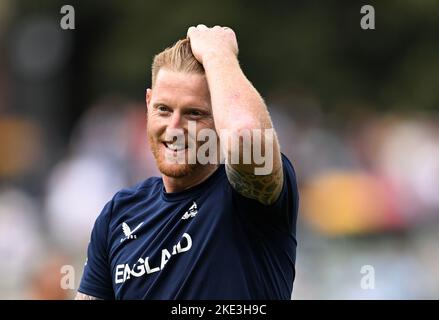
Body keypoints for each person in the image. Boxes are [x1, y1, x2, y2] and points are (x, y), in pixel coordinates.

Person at [76, 24, 299, 300]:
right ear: (148, 103)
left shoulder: (245, 196)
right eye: (163, 109)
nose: (174, 128)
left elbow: (244, 135)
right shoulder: (119, 214)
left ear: (219, 116)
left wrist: (219, 53)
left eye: (194, 114)